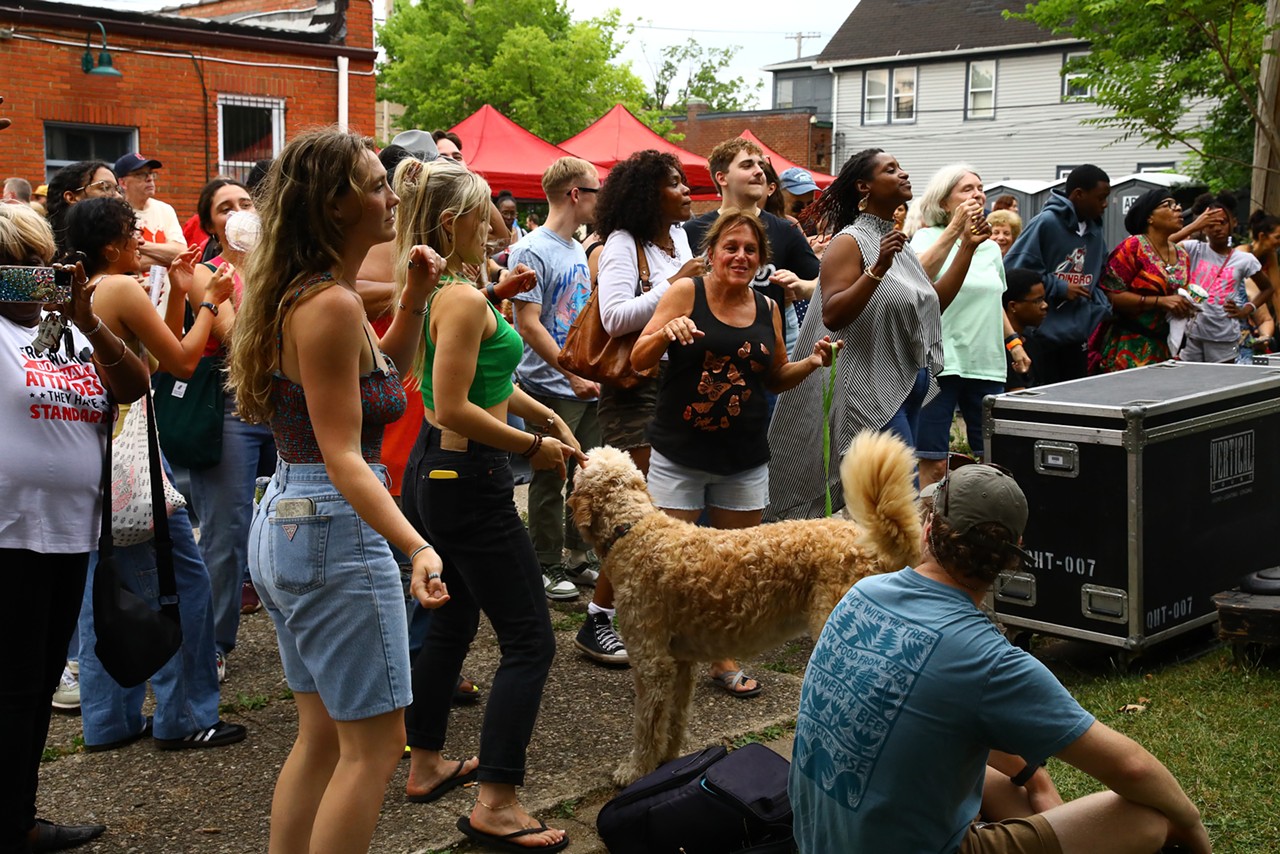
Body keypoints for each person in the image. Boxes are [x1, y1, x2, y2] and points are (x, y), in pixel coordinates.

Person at [790, 463, 1212, 854]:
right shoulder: (987, 659)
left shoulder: (862, 595)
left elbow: (938, 709)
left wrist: (1035, 778)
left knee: (998, 782)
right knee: (1148, 818)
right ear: (1013, 556)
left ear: (928, 527)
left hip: (816, 838)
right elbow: (1134, 769)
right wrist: (1191, 826)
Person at [227, 129, 449, 854]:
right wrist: (415, 544)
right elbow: (346, 455)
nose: (391, 196)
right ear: (334, 202)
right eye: (374, 184)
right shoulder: (332, 305)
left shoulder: (314, 295)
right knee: (377, 748)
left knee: (323, 737)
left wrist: (413, 298)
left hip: (290, 517)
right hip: (331, 524)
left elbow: (388, 388)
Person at [391, 155, 578, 852]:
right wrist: (533, 449)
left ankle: (426, 760)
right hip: (466, 480)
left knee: (454, 623)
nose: (500, 223)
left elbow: (487, 381)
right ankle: (497, 801)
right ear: (452, 221)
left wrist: (546, 418)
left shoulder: (459, 287)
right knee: (530, 639)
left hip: (447, 478)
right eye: (485, 212)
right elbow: (452, 408)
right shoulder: (461, 297)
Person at [64, 197, 244, 756]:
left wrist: (181, 287)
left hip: (98, 460)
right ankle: (186, 715)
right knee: (181, 585)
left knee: (106, 587)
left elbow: (154, 365)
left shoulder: (85, 293)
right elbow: (186, 363)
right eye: (133, 235)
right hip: (134, 463)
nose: (143, 241)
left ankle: (109, 719)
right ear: (112, 245)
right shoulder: (118, 289)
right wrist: (210, 303)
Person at [633, 210, 837, 698]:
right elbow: (639, 360)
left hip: (744, 456)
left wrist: (810, 362)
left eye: (750, 250)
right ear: (712, 253)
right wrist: (667, 331)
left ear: (762, 260)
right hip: (680, 453)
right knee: (670, 565)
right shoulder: (687, 293)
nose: (740, 256)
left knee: (735, 566)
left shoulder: (767, 308)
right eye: (731, 247)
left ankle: (720, 655)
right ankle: (663, 653)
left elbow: (774, 377)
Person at [0, 203, 148, 854]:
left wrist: (86, 320)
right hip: (8, 537)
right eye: (21, 266)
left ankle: (19, 820)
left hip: (68, 535)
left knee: (32, 694)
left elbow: (134, 385)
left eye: (46, 263)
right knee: (9, 691)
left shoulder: (67, 331)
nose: (40, 277)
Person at [765, 149, 987, 522]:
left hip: (907, 382)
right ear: (864, 186)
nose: (903, 174)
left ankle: (883, 571)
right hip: (870, 390)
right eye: (891, 170)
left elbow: (932, 305)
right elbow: (833, 314)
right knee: (897, 500)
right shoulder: (849, 242)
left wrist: (967, 247)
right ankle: (883, 575)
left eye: (901, 166)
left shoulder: (897, 241)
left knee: (892, 500)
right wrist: (877, 269)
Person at [507, 157, 623, 665]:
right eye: (596, 191)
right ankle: (545, 562)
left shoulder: (577, 247)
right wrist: (571, 371)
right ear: (576, 193)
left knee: (586, 473)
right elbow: (529, 323)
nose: (601, 200)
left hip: (583, 383)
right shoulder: (529, 248)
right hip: (550, 384)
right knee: (551, 476)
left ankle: (577, 555)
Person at [182, 178, 278, 681]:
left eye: (245, 203)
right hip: (234, 409)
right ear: (210, 223)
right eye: (226, 208)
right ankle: (211, 644)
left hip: (284, 408)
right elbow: (237, 338)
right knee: (226, 533)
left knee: (290, 522)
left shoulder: (279, 266)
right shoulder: (209, 274)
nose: (239, 212)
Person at [910, 164, 1025, 487]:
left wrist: (1014, 342)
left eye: (980, 187)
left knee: (992, 459)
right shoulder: (926, 238)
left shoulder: (989, 247)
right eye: (967, 189)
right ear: (944, 201)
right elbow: (914, 280)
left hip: (986, 362)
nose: (978, 194)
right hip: (940, 363)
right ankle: (928, 533)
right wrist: (956, 233)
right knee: (932, 462)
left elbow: (995, 299)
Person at [595, 150, 702, 476]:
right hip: (636, 387)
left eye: (683, 181)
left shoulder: (680, 236)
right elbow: (613, 319)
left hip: (682, 380)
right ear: (648, 196)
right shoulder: (623, 243)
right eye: (674, 183)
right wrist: (677, 282)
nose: (686, 189)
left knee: (676, 491)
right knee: (646, 495)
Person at [684, 138, 820, 358]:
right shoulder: (691, 231)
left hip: (763, 361)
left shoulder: (786, 230)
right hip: (702, 357)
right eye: (747, 165)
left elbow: (827, 282)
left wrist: (802, 286)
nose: (759, 172)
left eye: (760, 166)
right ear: (722, 177)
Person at [1003, 165, 1112, 384]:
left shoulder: (1095, 230)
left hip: (1077, 335)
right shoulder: (1047, 223)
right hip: (1045, 335)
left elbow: (1099, 274)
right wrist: (1059, 287)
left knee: (1074, 400)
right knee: (1047, 401)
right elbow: (1014, 271)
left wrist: (1100, 308)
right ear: (1079, 194)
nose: (1105, 204)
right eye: (1100, 198)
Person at [1089, 189, 1195, 373]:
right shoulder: (1133, 247)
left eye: (1176, 204)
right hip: (1129, 346)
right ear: (1149, 218)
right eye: (1168, 205)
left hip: (1166, 347)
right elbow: (1109, 294)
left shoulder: (1182, 254)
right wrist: (1159, 302)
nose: (1178, 208)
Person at [1176, 192, 1274, 363]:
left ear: (1233, 223)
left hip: (1224, 337)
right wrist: (1192, 226)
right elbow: (1160, 248)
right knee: (1190, 382)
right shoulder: (1193, 249)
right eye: (1211, 223)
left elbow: (1268, 288)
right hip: (1192, 335)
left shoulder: (1244, 259)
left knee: (1220, 382)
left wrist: (1247, 309)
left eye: (1222, 222)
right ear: (1203, 226)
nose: (1217, 228)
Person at [45, 161, 118, 253]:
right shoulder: (45, 247)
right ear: (71, 197)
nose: (118, 196)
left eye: (117, 189)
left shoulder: (120, 242)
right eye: (105, 187)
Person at [1003, 268, 1048, 391]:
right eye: (1037, 301)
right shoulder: (1001, 351)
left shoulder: (1034, 344)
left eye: (1043, 299)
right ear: (1013, 306)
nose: (1045, 305)